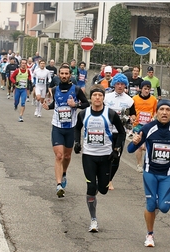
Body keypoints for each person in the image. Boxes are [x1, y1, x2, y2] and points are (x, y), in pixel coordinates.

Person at [127, 99, 170, 247]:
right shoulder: (148, 128)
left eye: (168, 110)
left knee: (164, 207)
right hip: (150, 173)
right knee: (151, 203)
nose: (164, 112)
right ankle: (150, 234)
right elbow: (130, 150)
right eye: (162, 109)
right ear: (156, 112)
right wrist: (134, 142)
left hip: (166, 174)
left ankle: (154, 209)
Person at [73, 85, 125, 232]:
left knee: (103, 189)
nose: (97, 98)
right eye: (95, 95)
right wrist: (77, 142)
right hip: (89, 155)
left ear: (103, 98)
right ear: (91, 98)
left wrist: (116, 149)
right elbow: (77, 128)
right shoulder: (83, 114)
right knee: (91, 188)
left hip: (105, 156)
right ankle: (93, 220)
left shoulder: (111, 114)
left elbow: (121, 133)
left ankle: (98, 186)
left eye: (100, 95)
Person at [42, 64, 90, 198]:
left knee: (67, 156)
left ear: (70, 75)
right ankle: (58, 185)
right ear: (58, 75)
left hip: (71, 128)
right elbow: (56, 104)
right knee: (59, 156)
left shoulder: (76, 89)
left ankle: (63, 173)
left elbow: (86, 104)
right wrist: (48, 107)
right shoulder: (55, 89)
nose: (63, 76)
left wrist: (76, 105)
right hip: (57, 127)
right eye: (61, 74)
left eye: (66, 74)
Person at [103, 73, 136, 190]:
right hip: (107, 131)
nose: (120, 86)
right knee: (105, 156)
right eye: (118, 84)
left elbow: (133, 114)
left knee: (116, 157)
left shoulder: (129, 100)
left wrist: (132, 118)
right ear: (114, 85)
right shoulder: (106, 97)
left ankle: (110, 180)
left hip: (120, 132)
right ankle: (103, 177)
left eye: (122, 84)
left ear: (125, 85)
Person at [131, 80, 158, 173]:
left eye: (148, 89)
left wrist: (154, 118)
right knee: (139, 145)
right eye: (145, 89)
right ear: (141, 89)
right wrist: (132, 117)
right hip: (138, 124)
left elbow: (155, 111)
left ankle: (148, 163)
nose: (147, 91)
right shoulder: (134, 99)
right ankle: (139, 164)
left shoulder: (154, 99)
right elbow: (131, 111)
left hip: (149, 125)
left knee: (148, 145)